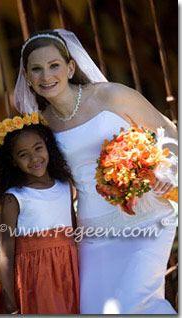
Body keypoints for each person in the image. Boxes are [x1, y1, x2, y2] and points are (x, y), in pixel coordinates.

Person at [13, 29, 178, 314]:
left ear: (70, 67)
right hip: (94, 231)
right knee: (96, 309)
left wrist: (167, 169)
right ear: (27, 77)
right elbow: (56, 185)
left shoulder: (112, 95)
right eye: (36, 69)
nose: (46, 76)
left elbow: (168, 130)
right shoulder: (41, 126)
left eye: (54, 65)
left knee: (132, 304)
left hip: (148, 217)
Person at [0, 112, 79, 314]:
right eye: (23, 154)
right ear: (12, 161)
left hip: (69, 272)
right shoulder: (14, 198)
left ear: (48, 147)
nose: (34, 158)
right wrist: (9, 300)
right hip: (36, 277)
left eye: (38, 148)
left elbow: (74, 233)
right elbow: (6, 252)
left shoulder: (65, 186)